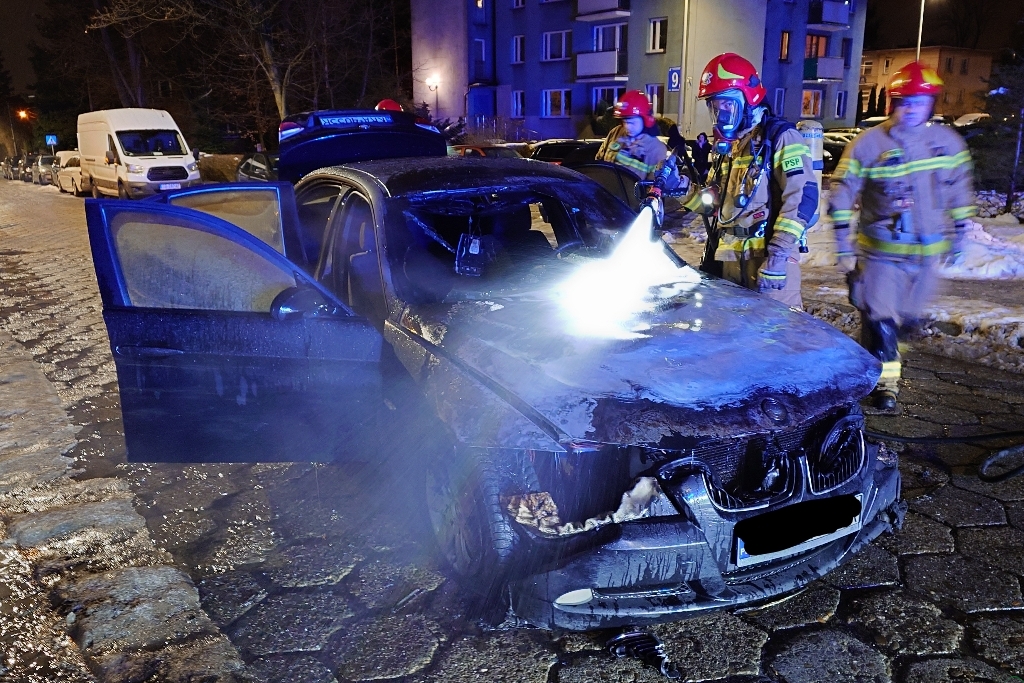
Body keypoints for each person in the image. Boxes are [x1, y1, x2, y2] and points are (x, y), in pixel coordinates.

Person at [828, 61, 974, 411]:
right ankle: (885, 387)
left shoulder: (946, 144)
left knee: (905, 323)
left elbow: (959, 191)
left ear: (931, 104)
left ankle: (868, 364)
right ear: (893, 102)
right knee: (881, 321)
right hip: (881, 255)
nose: (911, 109)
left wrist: (961, 234)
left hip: (925, 257)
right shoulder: (869, 144)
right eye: (904, 102)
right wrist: (843, 244)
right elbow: (843, 191)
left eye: (919, 102)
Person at [675, 53, 817, 308]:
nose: (721, 112)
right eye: (715, 105)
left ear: (749, 97)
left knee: (774, 340)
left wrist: (778, 257)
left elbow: (802, 198)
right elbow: (714, 206)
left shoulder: (781, 138)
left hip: (769, 264)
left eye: (727, 103)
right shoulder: (729, 148)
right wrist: (680, 188)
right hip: (730, 264)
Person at [596, 90, 668, 180]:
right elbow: (598, 162)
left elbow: (653, 188)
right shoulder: (615, 132)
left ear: (645, 119)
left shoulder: (656, 150)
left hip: (631, 194)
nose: (627, 127)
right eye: (624, 121)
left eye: (632, 122)